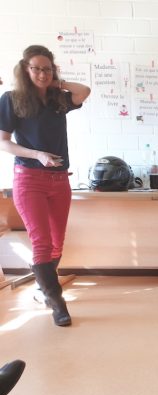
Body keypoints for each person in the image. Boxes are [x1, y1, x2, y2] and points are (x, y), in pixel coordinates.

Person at [0, 45, 91, 327]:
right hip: (29, 178)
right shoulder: (12, 99)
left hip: (59, 178)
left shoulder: (57, 99)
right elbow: (3, 141)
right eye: (36, 68)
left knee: (56, 242)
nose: (42, 74)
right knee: (41, 242)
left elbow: (84, 91)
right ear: (25, 70)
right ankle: (58, 303)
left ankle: (43, 288)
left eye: (47, 68)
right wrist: (37, 154)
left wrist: (56, 83)